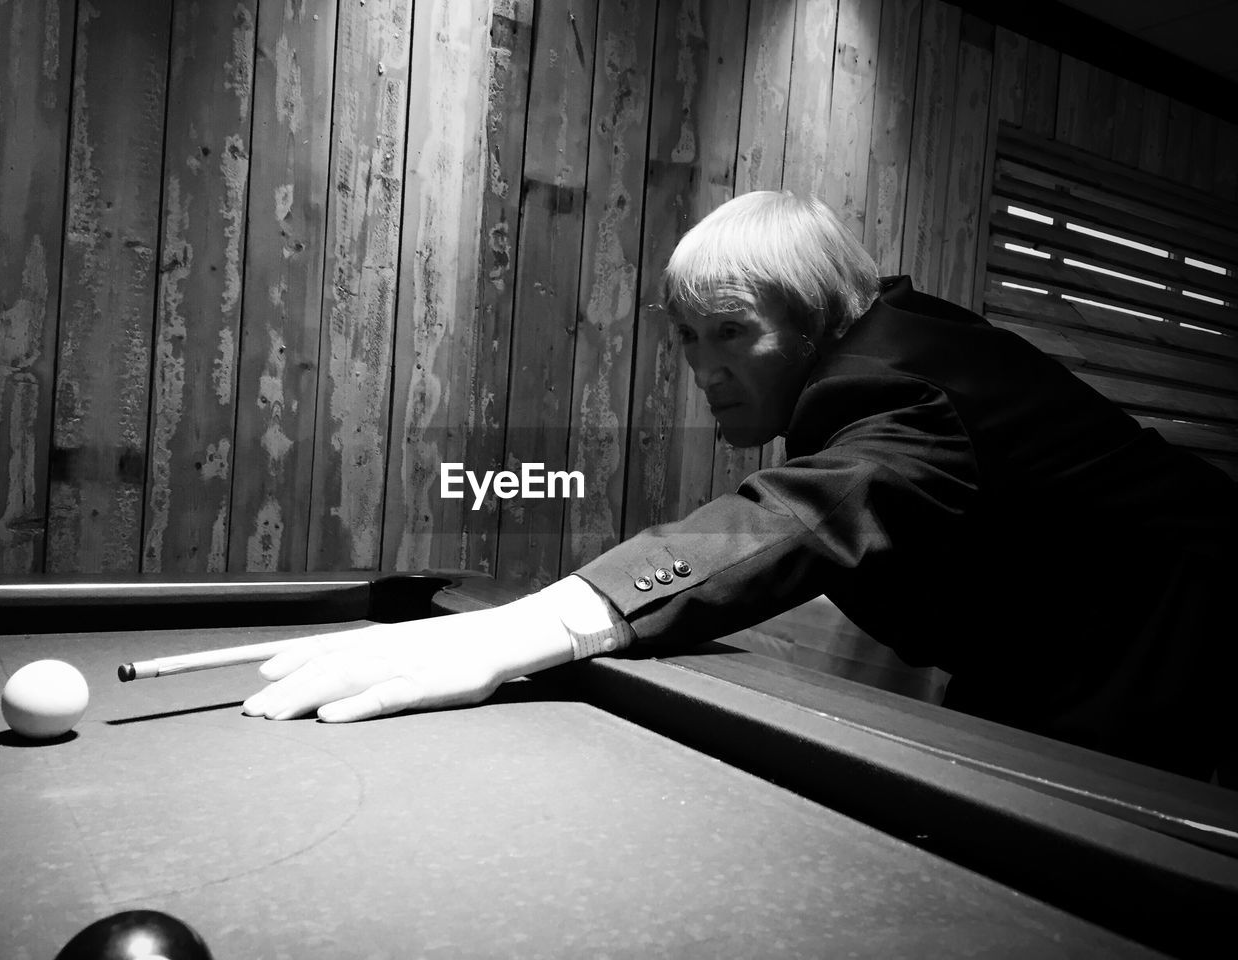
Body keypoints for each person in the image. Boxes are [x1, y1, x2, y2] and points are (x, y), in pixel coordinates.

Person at [243, 191, 1236, 781]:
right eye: (686, 336)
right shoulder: (892, 343)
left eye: (732, 333)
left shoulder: (890, 386)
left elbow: (801, 515)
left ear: (813, 322)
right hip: (1065, 645)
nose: (703, 367)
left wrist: (528, 626)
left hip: (1176, 644)